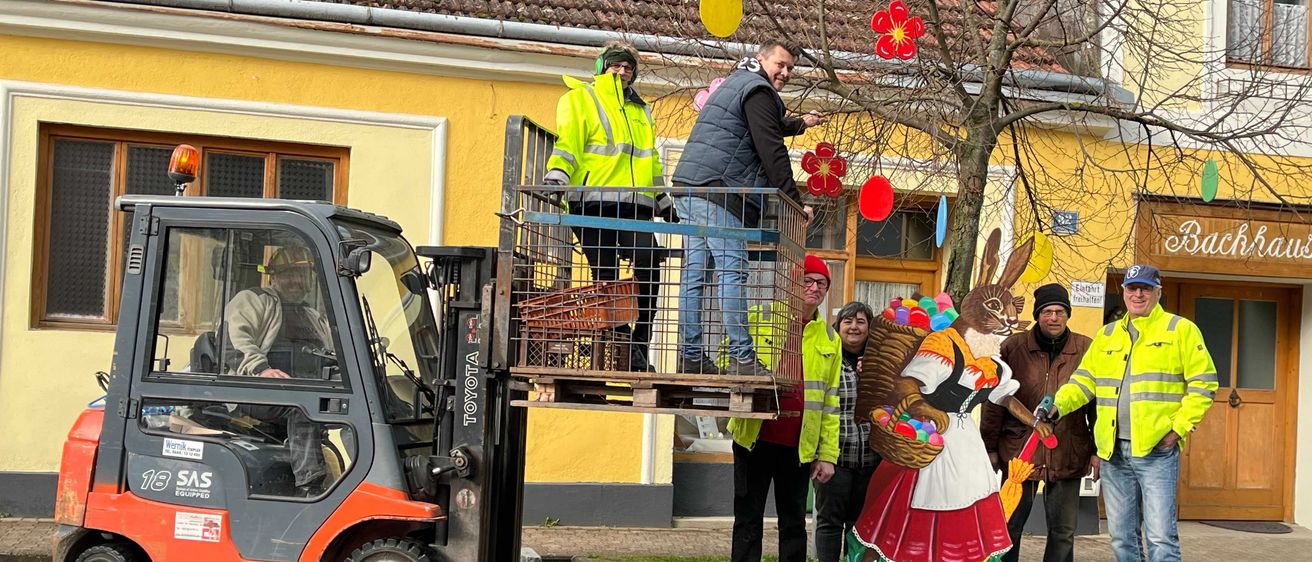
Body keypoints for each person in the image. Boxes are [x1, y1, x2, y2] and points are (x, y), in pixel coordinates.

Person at [671, 38, 826, 376]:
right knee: (732, 271)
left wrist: (801, 123)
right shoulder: (759, 91)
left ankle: (690, 354)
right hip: (720, 192)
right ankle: (742, 357)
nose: (785, 72)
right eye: (780, 65)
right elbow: (772, 149)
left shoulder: (737, 84)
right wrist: (796, 203)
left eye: (790, 68)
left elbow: (767, 126)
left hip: (690, 187)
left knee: (695, 273)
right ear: (761, 59)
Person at [1052, 265, 1218, 562]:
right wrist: (1057, 405)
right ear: (1124, 292)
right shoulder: (1108, 334)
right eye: (1132, 288)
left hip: (1156, 450)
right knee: (1121, 537)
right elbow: (1084, 382)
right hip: (1113, 452)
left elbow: (1204, 384)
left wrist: (1178, 429)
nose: (1138, 294)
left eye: (1145, 288)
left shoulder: (1180, 329)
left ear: (1158, 292)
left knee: (1160, 537)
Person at [543, 40, 670, 371]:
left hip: (633, 208)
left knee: (650, 262)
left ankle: (639, 342)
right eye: (616, 64)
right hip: (591, 204)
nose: (622, 70)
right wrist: (557, 177)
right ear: (602, 66)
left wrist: (662, 201)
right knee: (606, 277)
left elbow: (650, 162)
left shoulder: (641, 111)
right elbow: (568, 144)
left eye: (628, 66)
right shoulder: (580, 98)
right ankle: (623, 343)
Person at [727, 255, 841, 562]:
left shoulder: (830, 338)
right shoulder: (759, 317)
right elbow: (729, 359)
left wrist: (827, 455)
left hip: (798, 447)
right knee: (747, 519)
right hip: (753, 438)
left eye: (821, 283)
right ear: (791, 284)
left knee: (793, 523)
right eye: (807, 281)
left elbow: (831, 402)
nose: (814, 288)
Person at [981, 284, 1095, 562]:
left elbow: (1097, 403)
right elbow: (995, 400)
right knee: (1010, 526)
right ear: (1037, 315)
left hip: (1068, 450)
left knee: (1063, 532)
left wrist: (1096, 450)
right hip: (1020, 453)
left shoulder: (1086, 348)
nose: (1053, 317)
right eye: (1047, 312)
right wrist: (990, 447)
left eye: (1059, 311)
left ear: (1067, 314)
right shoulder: (1013, 347)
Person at [225, 244, 336, 495]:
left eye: (302, 275)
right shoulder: (255, 300)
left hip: (302, 389)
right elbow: (233, 342)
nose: (296, 281)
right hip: (255, 389)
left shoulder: (311, 316)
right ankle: (310, 487)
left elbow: (331, 353)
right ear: (273, 277)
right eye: (288, 274)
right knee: (303, 408)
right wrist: (261, 369)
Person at [814, 301, 881, 562]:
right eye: (848, 321)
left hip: (871, 460)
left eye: (861, 322)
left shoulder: (879, 361)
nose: (854, 327)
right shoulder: (828, 357)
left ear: (869, 328)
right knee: (830, 522)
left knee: (861, 525)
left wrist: (873, 374)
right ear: (838, 326)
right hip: (835, 457)